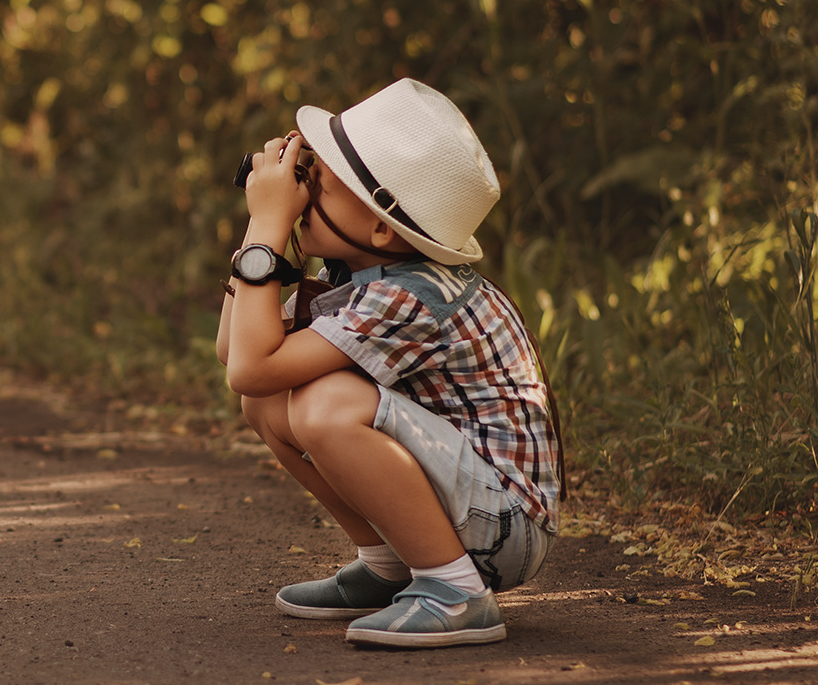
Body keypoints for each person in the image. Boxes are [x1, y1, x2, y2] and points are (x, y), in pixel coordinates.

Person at [215, 79, 561, 648]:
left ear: (382, 225)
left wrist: (269, 226)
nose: (304, 187)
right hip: (468, 502)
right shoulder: (357, 277)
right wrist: (262, 233)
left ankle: (456, 591)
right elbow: (242, 361)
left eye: (321, 181)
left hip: (506, 527)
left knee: (326, 403)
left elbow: (247, 363)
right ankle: (390, 567)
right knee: (271, 400)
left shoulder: (411, 295)